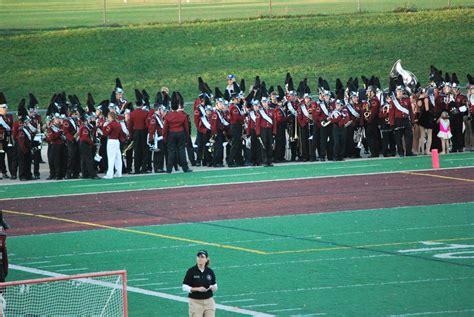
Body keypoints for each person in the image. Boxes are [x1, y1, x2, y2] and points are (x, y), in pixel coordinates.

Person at [182, 250, 217, 317]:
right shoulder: (191, 271)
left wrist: (213, 287)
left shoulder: (210, 271)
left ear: (206, 259)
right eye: (198, 257)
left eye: (202, 257)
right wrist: (198, 289)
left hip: (209, 301)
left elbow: (215, 285)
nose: (200, 258)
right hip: (195, 302)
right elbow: (184, 287)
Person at [102, 112, 124, 179]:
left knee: (111, 158)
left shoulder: (110, 124)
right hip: (117, 141)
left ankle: (110, 174)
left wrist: (104, 126)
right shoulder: (118, 124)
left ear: (111, 117)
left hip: (111, 141)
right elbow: (121, 134)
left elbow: (105, 133)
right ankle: (118, 173)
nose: (108, 118)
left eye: (108, 117)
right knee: (118, 158)